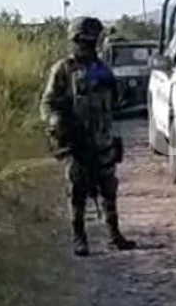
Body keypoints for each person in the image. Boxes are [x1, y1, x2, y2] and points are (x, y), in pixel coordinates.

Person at [40, 16, 137, 256]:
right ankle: (79, 237)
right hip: (77, 142)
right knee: (77, 191)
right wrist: (58, 126)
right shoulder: (63, 69)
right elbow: (48, 103)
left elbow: (115, 103)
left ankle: (114, 234)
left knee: (109, 189)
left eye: (91, 41)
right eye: (82, 41)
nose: (86, 46)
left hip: (102, 140)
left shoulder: (102, 69)